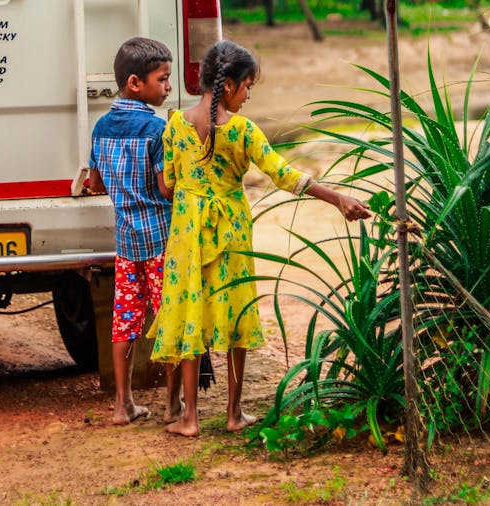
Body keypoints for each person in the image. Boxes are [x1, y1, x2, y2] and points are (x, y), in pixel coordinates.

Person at [148, 39, 370, 437]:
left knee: (189, 315)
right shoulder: (244, 132)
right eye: (248, 85)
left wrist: (188, 190)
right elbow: (284, 174)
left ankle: (190, 419)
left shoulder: (175, 124)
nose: (249, 95)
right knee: (235, 313)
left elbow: (166, 188)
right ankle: (233, 414)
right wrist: (336, 197)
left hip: (186, 233)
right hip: (231, 231)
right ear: (229, 85)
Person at [88, 36, 182, 426]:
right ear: (135, 83)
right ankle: (174, 405)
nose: (168, 86)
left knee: (125, 318)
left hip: (126, 241)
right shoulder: (157, 130)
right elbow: (165, 189)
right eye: (163, 79)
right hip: (160, 240)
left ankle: (122, 405)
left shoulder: (101, 127)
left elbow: (95, 183)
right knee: (168, 319)